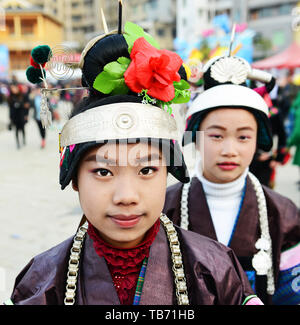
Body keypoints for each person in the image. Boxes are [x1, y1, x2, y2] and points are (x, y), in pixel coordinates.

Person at [4, 21, 260, 306]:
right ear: (74, 179)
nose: (126, 196)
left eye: (147, 170)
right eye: (103, 171)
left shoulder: (217, 270)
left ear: (168, 173)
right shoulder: (40, 281)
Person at [163, 54, 300, 305]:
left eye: (244, 137)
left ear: (258, 140)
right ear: (196, 136)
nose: (230, 150)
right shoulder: (164, 208)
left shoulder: (284, 214)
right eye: (216, 136)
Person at [7, 83, 28, 149]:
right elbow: (10, 108)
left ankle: (24, 140)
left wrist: (26, 115)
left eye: (15, 88)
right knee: (16, 130)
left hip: (21, 115)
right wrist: (10, 117)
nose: (14, 89)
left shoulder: (23, 96)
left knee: (22, 129)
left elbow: (26, 106)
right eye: (12, 88)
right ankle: (18, 143)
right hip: (14, 116)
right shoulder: (10, 97)